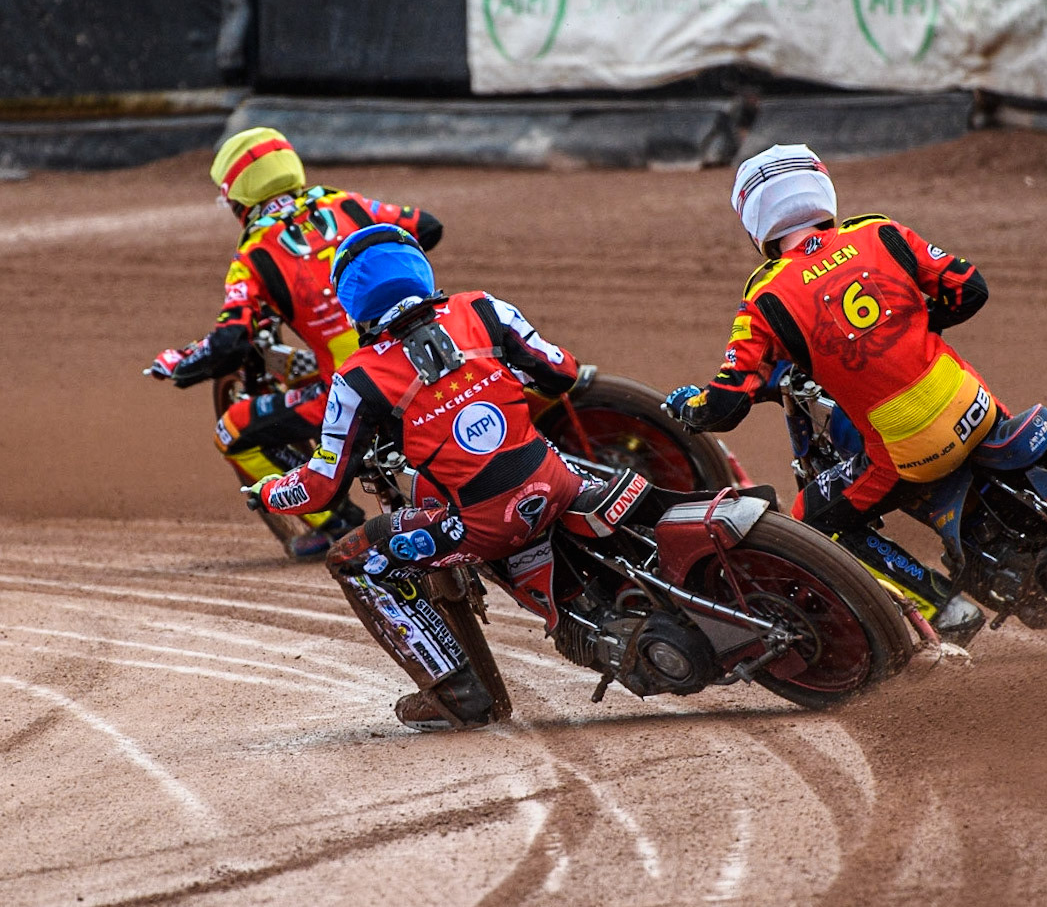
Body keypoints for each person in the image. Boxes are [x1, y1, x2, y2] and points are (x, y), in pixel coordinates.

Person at [249, 223, 587, 731]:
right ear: (419, 269)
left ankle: (457, 694)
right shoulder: (483, 307)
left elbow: (319, 485)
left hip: (482, 527)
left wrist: (267, 492)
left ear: (352, 301)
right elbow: (562, 372)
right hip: (557, 481)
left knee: (353, 561)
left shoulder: (357, 377)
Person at [664, 143, 1000, 645]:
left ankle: (945, 607)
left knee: (812, 521)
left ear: (753, 215)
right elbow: (969, 289)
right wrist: (908, 329)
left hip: (910, 450)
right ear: (821, 187)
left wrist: (686, 407)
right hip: (980, 406)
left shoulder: (766, 295)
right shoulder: (880, 232)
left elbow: (728, 402)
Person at [147, 127, 444, 558]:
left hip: (359, 385)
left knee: (230, 432)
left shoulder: (254, 253)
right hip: (430, 349)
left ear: (236, 198)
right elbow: (428, 228)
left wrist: (180, 361)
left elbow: (230, 341)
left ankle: (336, 522)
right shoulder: (343, 203)